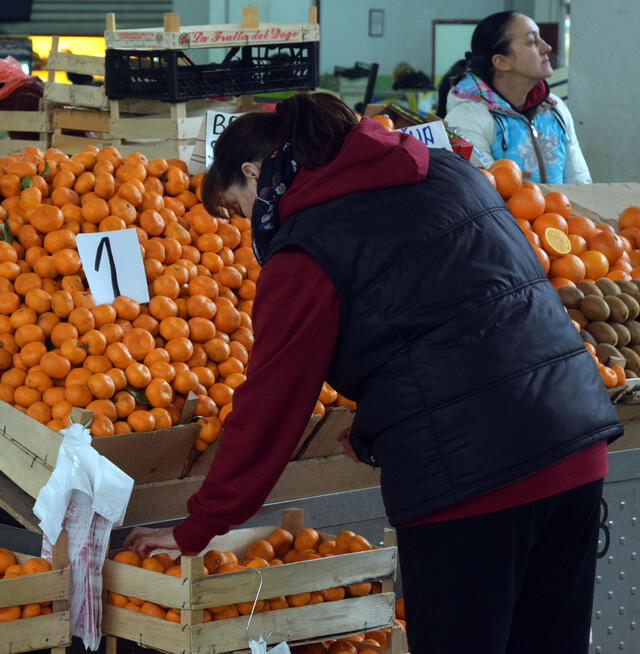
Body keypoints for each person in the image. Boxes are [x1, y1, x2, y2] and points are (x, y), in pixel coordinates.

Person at [123, 92, 621, 654]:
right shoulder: (447, 171)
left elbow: (269, 408)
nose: (247, 229)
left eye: (240, 209)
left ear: (255, 172)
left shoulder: (305, 247)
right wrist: (380, 426)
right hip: (574, 441)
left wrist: (197, 527)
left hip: (472, 480)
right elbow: (469, 311)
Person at [442, 11, 590, 183]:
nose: (547, 48)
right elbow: (486, 194)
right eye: (532, 42)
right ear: (502, 62)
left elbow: (580, 182)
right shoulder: (466, 119)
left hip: (561, 209)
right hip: (514, 210)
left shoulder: (555, 108)